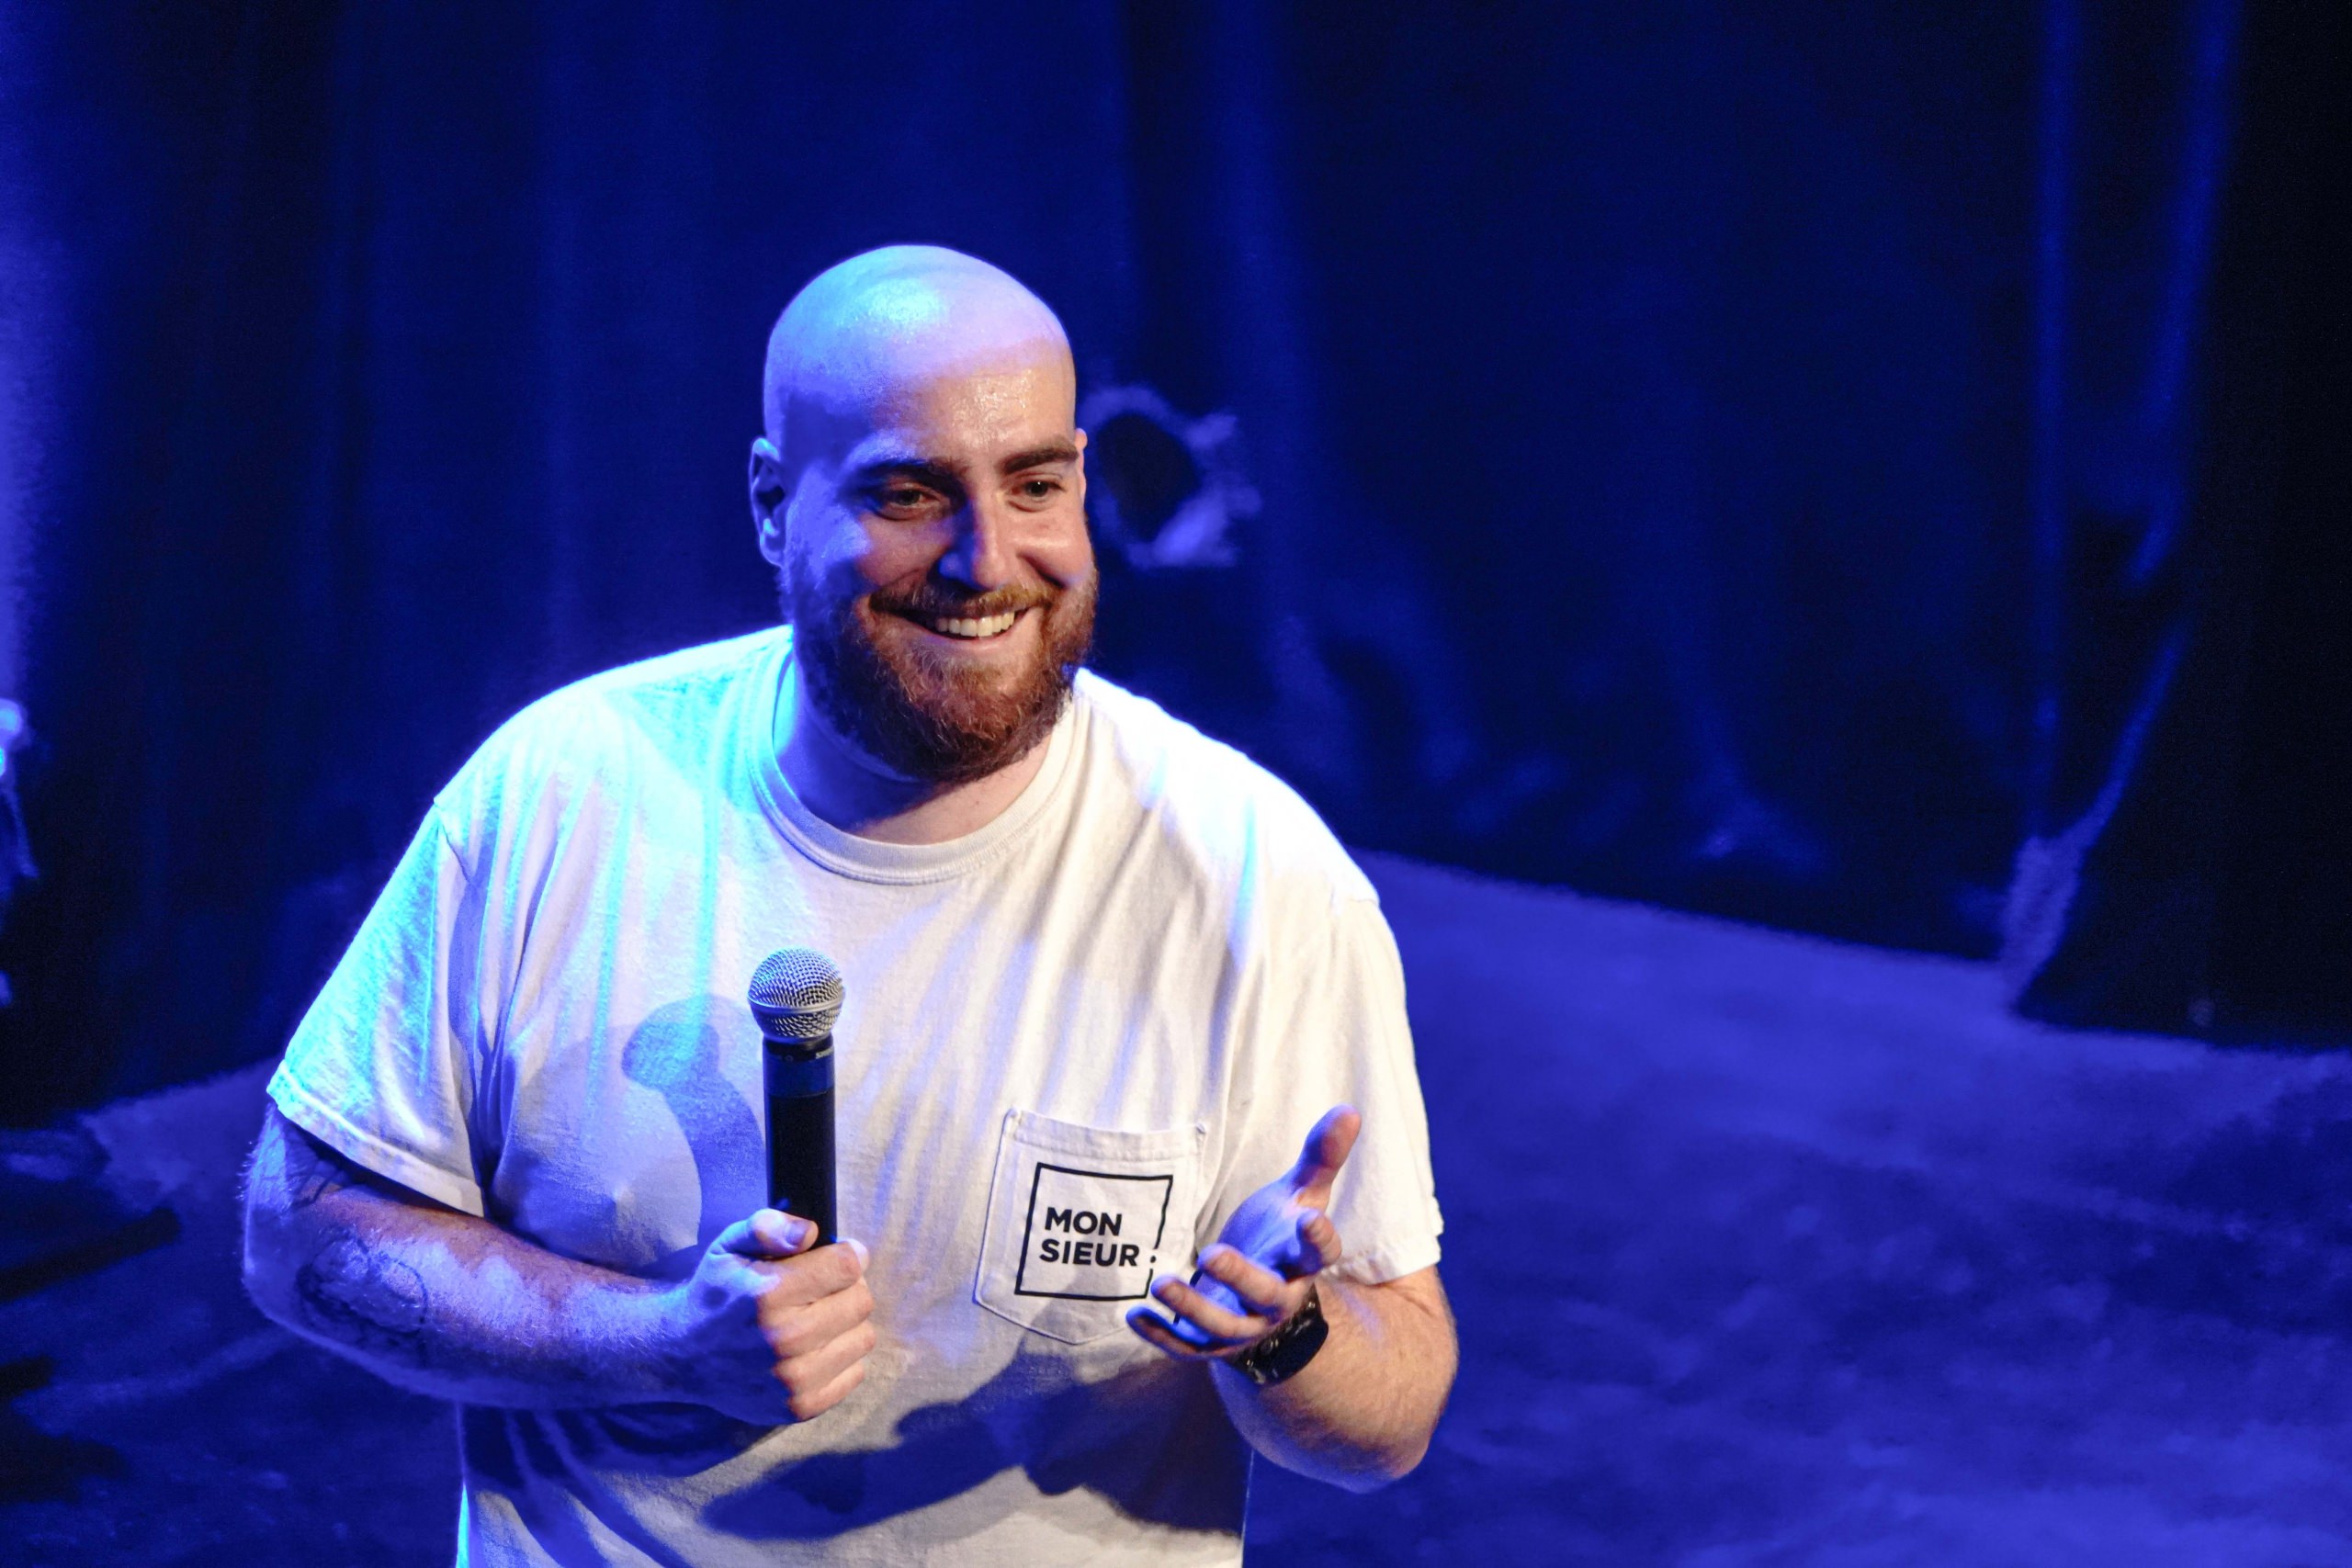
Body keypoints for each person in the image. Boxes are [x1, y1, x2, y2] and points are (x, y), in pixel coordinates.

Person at [242, 245, 1454, 1565]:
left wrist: (1286, 1334)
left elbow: (1392, 1423)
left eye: (1035, 485)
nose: (986, 560)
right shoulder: (558, 795)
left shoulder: (1259, 877)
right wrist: (658, 1345)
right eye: (909, 493)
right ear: (774, 505)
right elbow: (298, 1235)